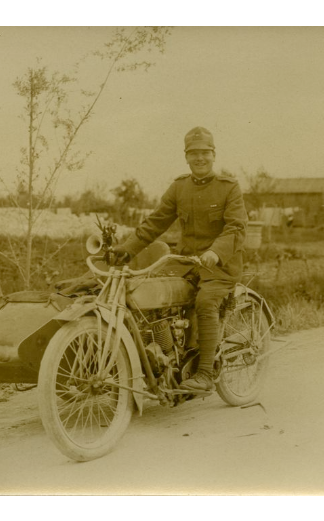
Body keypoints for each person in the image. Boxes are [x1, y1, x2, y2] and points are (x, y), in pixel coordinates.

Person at [115, 126, 247, 392]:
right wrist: (126, 250)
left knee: (206, 301)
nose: (200, 158)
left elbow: (236, 229)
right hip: (186, 263)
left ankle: (206, 373)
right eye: (194, 153)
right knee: (148, 292)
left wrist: (214, 252)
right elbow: (155, 223)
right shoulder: (179, 187)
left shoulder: (229, 188)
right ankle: (164, 358)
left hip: (220, 266)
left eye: (205, 153)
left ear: (214, 155)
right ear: (186, 157)